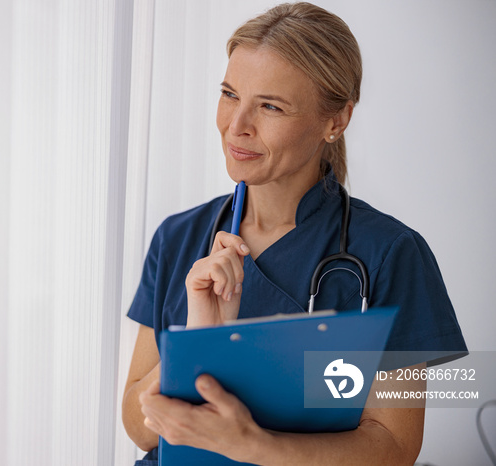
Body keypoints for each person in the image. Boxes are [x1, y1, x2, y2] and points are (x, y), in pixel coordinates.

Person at [122, 2, 467, 465]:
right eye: (229, 94)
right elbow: (137, 428)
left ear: (335, 121)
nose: (236, 126)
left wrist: (252, 445)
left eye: (270, 106)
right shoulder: (178, 237)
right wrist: (202, 339)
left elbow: (395, 447)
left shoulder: (390, 255)